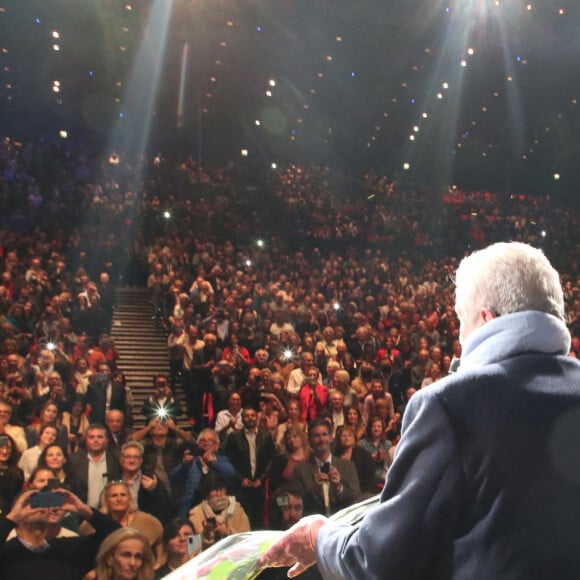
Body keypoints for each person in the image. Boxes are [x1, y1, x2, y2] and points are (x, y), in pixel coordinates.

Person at [260, 241, 580, 579]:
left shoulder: (450, 404)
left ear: (485, 316)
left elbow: (382, 562)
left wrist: (319, 538)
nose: (459, 335)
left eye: (461, 321)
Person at [0, 487, 120, 579]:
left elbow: (118, 536)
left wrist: (86, 511)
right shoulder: (7, 554)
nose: (36, 507)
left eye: (42, 500)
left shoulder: (67, 550)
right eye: (29, 502)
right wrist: (11, 518)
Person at [80, 480, 164, 568]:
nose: (119, 499)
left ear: (130, 499)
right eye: (114, 495)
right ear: (106, 501)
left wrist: (157, 566)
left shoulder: (149, 522)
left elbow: (161, 551)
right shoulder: (92, 524)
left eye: (123, 495)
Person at [291, 418, 360, 517]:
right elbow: (297, 504)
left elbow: (355, 497)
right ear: (309, 440)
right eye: (316, 436)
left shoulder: (347, 466)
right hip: (315, 524)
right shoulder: (301, 469)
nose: (321, 439)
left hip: (342, 522)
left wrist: (338, 488)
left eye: (324, 434)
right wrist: (315, 490)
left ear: (331, 438)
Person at [175, 428, 237, 518]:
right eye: (202, 441)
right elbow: (174, 477)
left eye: (210, 441)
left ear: (217, 445)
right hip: (191, 507)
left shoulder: (222, 459)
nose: (206, 443)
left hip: (219, 507)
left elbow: (231, 474)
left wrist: (213, 463)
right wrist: (184, 466)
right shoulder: (191, 459)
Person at [188, 474, 250, 550]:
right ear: (206, 493)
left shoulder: (238, 510)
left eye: (221, 489)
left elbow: (247, 539)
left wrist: (227, 532)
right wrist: (206, 535)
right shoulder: (195, 514)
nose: (218, 494)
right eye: (214, 490)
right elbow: (191, 548)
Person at [69, 423, 122, 508]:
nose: (96, 440)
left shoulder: (116, 459)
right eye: (91, 437)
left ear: (106, 440)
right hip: (82, 513)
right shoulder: (74, 460)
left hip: (110, 513)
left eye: (100, 437)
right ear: (86, 440)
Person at [0, 433, 24, 515]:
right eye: (1, 447)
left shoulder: (17, 473)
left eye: (8, 448)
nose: (5, 451)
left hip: (9, 515)